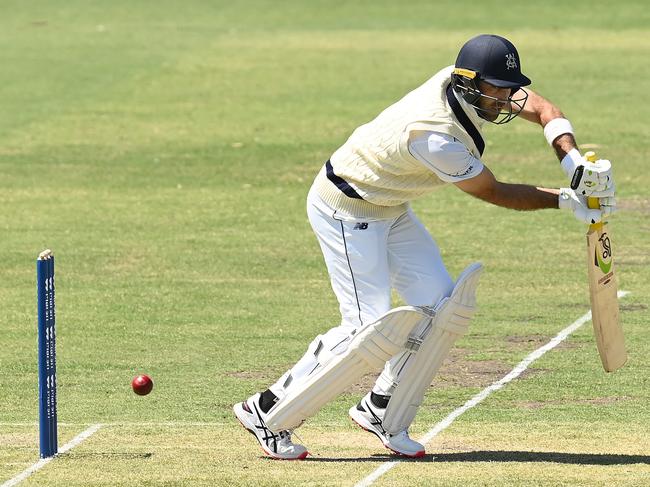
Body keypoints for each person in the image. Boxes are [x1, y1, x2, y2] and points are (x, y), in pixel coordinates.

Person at [233, 34, 616, 460]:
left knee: (441, 308)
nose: (507, 97)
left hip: (390, 204)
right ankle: (265, 411)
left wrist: (575, 164)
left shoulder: (475, 87)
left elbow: (546, 110)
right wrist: (565, 198)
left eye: (509, 87)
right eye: (498, 88)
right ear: (470, 83)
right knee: (367, 328)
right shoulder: (433, 136)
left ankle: (382, 409)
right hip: (346, 207)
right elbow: (492, 191)